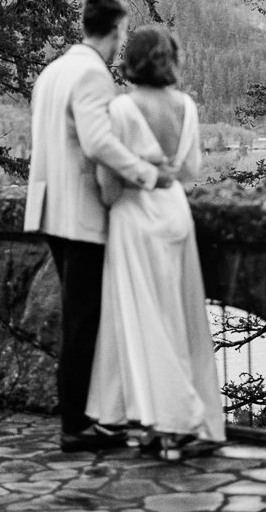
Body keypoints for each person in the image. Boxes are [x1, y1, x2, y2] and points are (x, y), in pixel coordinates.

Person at [25, 0, 176, 453]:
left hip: (49, 208)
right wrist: (149, 173)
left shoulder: (53, 71)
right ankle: (77, 426)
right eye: (124, 30)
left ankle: (82, 418)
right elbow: (96, 143)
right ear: (116, 29)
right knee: (83, 321)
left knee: (79, 317)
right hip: (80, 213)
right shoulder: (91, 74)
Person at [85, 25, 225, 461]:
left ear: (133, 60)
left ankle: (168, 422)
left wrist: (113, 202)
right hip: (175, 214)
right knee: (182, 320)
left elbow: (108, 175)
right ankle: (179, 420)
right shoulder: (186, 105)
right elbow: (190, 171)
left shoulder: (123, 108)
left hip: (136, 217)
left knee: (143, 321)